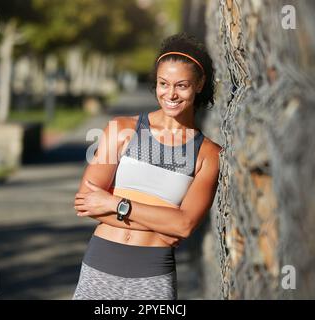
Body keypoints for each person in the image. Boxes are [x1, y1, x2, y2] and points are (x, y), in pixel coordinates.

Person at [72, 32, 222, 300]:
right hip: (99, 265)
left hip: (154, 275)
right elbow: (86, 202)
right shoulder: (121, 130)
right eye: (163, 84)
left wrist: (116, 204)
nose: (171, 94)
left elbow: (185, 225)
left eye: (182, 85)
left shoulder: (208, 154)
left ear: (199, 85)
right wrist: (162, 224)